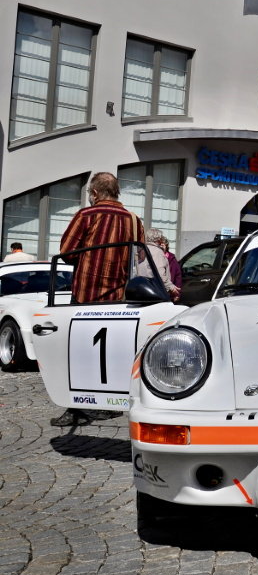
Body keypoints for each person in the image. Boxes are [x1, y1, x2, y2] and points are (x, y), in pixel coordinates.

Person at [53, 172, 145, 427]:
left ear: (94, 193)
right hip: (118, 297)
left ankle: (77, 407)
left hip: (86, 293)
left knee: (79, 352)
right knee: (114, 352)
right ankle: (110, 404)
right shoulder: (134, 219)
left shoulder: (86, 215)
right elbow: (139, 258)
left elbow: (67, 252)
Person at [137, 228, 180, 301]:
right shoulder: (157, 252)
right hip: (155, 291)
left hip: (141, 288)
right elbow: (160, 273)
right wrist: (171, 287)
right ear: (159, 239)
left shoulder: (141, 250)